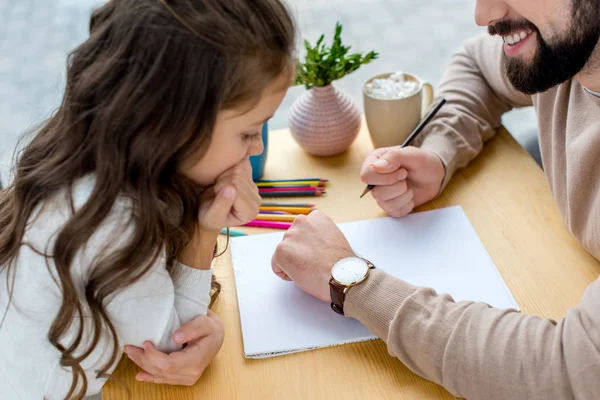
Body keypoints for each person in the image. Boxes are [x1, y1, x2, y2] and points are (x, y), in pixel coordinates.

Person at [271, 0, 600, 398]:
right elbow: (476, 65)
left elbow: (567, 371)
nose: (483, 15)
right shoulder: (565, 52)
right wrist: (441, 153)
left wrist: (352, 282)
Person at [0, 0, 295, 398]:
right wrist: (203, 229)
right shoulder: (114, 222)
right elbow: (170, 346)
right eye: (248, 132)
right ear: (176, 125)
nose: (257, 148)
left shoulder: (89, 152)